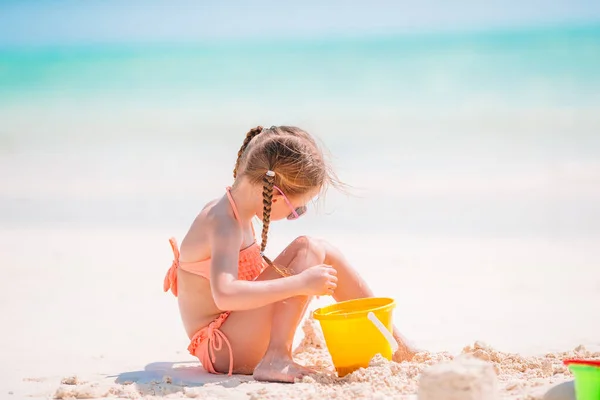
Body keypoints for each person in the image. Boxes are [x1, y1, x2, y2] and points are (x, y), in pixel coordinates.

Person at [163, 125, 416, 383]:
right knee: (309, 247)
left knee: (318, 248)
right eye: (297, 210)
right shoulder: (224, 222)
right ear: (274, 195)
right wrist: (300, 283)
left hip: (236, 337)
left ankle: (395, 342)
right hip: (223, 349)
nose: (296, 215)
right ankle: (276, 356)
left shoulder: (235, 213)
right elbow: (225, 295)